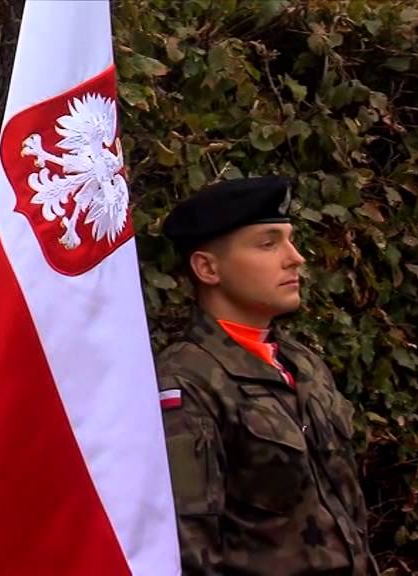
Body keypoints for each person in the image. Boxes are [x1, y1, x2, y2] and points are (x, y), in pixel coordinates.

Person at [157, 176, 375, 575]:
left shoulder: (302, 364)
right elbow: (188, 549)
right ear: (207, 267)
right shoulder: (188, 380)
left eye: (289, 240)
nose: (295, 258)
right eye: (268, 243)